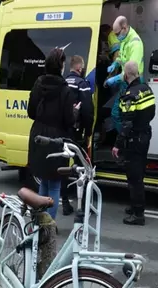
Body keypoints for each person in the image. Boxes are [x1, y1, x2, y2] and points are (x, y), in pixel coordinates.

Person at [27, 48, 76, 221]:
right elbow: (69, 120)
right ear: (60, 66)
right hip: (56, 138)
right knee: (54, 183)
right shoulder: (65, 90)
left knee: (44, 181)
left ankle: (41, 222)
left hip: (38, 135)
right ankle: (48, 226)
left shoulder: (38, 83)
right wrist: (75, 112)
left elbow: (31, 112)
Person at [112, 61, 155, 226]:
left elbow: (126, 123)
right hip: (145, 135)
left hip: (134, 139)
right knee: (140, 173)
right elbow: (152, 114)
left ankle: (138, 213)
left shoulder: (129, 95)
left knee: (134, 177)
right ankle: (134, 205)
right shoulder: (147, 89)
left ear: (125, 75)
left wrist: (117, 144)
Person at [63, 55, 94, 216]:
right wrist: (89, 132)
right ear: (80, 68)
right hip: (77, 132)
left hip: (62, 131)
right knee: (83, 167)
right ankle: (83, 206)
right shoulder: (82, 84)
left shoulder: (62, 83)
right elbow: (88, 111)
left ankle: (65, 203)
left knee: (62, 165)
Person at [104, 16, 145, 134]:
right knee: (120, 114)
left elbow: (131, 71)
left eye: (117, 33)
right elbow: (122, 58)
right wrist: (115, 64)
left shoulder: (135, 43)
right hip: (126, 82)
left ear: (124, 28)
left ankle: (125, 138)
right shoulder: (124, 40)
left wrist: (114, 79)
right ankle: (124, 139)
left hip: (134, 83)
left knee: (122, 115)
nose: (116, 37)